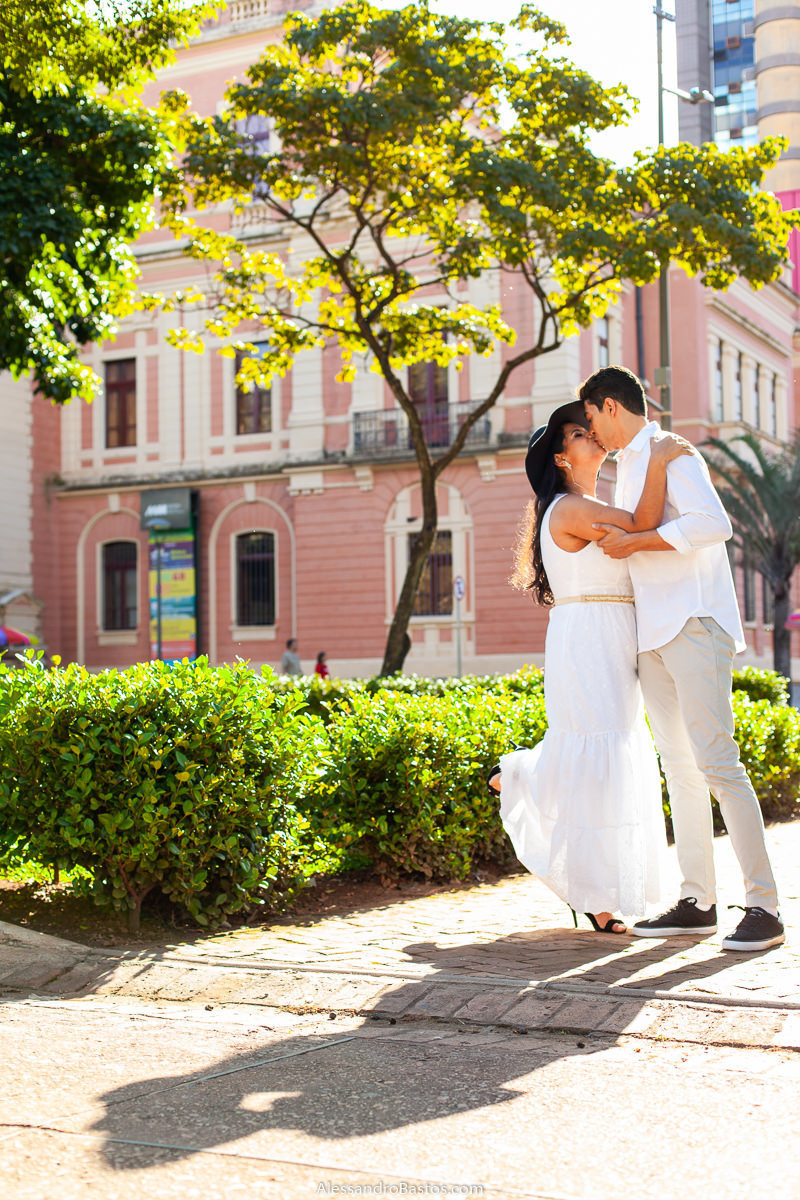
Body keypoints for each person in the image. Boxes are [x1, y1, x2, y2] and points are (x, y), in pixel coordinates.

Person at [580, 365, 784, 952]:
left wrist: (638, 542)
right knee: (683, 772)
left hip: (694, 621)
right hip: (655, 632)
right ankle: (697, 901)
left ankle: (764, 907)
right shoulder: (630, 467)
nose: (590, 431)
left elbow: (712, 524)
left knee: (719, 763)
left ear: (610, 406)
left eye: (591, 417)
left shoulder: (672, 452)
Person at [491, 399, 689, 933]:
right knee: (599, 758)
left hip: (614, 635)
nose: (594, 437)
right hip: (587, 641)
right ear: (561, 457)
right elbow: (647, 524)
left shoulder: (590, 502)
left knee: (610, 753)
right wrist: (662, 459)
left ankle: (521, 775)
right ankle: (598, 899)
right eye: (581, 434)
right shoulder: (571, 509)